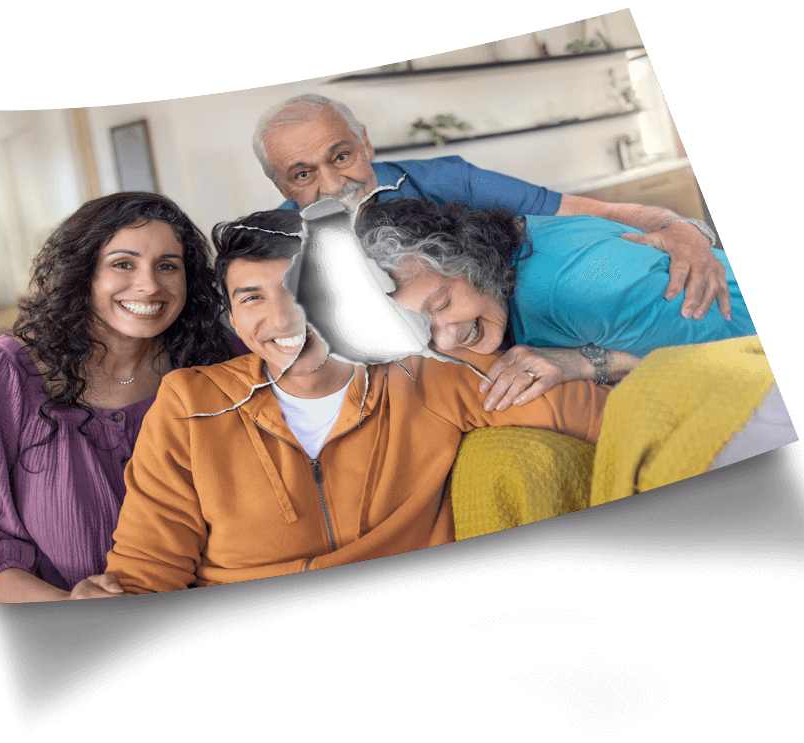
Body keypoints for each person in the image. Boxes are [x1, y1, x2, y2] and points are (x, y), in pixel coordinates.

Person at [103, 210, 611, 593]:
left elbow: (606, 418)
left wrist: (596, 362)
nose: (282, 318)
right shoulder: (190, 402)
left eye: (298, 288)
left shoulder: (427, 372)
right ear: (233, 320)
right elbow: (148, 569)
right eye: (251, 297)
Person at [0, 192, 237, 603]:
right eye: (123, 264)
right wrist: (71, 607)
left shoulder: (218, 358)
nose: (149, 285)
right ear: (82, 273)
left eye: (168, 266)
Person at [252, 93, 730, 326]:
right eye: (303, 174)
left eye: (341, 156)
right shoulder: (277, 246)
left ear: (366, 145)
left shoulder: (446, 178)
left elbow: (587, 208)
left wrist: (681, 228)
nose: (333, 184)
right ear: (279, 184)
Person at [354, 196, 757, 414]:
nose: (449, 336)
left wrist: (587, 363)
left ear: (468, 257)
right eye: (424, 330)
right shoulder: (517, 241)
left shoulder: (580, 289)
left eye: (442, 303)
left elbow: (735, 361)